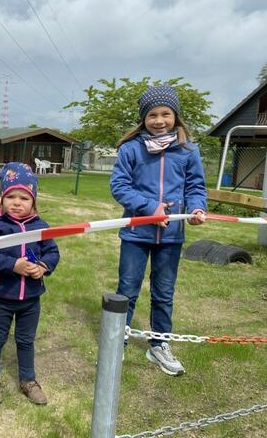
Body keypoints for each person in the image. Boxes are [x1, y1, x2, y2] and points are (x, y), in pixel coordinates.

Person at [110, 85, 207, 376]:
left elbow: (195, 187)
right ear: (144, 118)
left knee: (164, 293)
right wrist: (150, 207)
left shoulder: (188, 150)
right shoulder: (131, 149)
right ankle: (118, 343)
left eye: (166, 114)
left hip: (172, 237)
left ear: (175, 117)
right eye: (153, 115)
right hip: (136, 235)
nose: (159, 120)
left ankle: (160, 345)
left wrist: (196, 209)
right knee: (127, 289)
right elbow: (119, 187)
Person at [0, 162, 60, 406]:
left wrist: (43, 267)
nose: (16, 201)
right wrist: (13, 266)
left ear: (34, 200)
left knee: (25, 340)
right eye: (10, 195)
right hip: (2, 296)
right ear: (1, 198)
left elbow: (52, 253)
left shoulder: (41, 227)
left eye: (24, 197)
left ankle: (28, 380)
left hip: (31, 299)